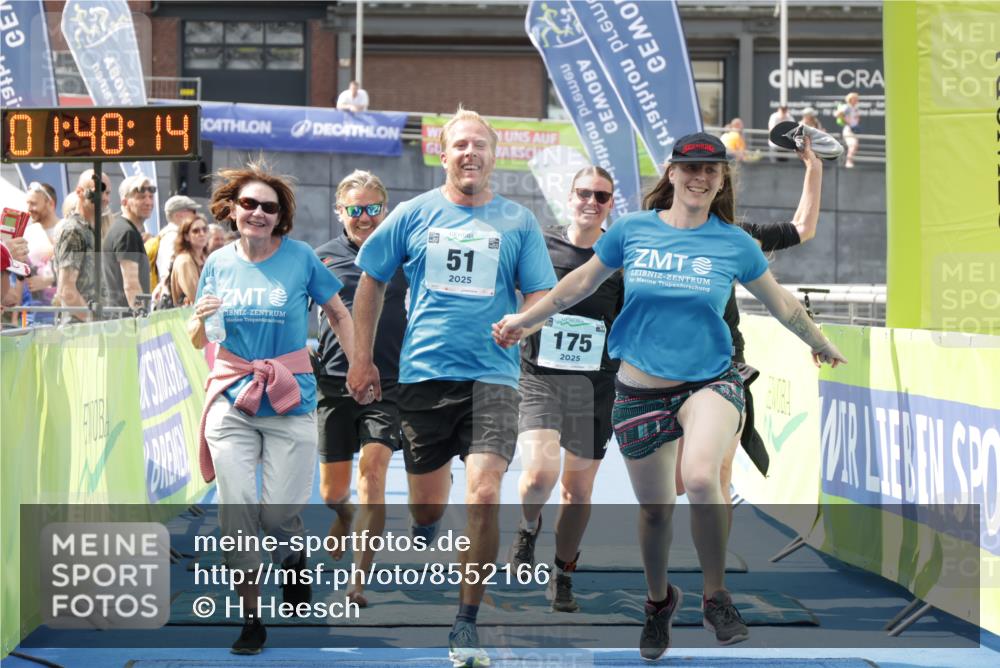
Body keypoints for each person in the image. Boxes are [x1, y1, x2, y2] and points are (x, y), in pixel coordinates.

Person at [494, 132, 846, 661]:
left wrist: (818, 341)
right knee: (656, 512)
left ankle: (715, 596)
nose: (700, 178)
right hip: (639, 390)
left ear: (721, 180)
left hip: (710, 380)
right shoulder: (632, 230)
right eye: (690, 168)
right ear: (673, 173)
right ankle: (658, 602)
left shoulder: (735, 242)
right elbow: (578, 285)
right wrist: (524, 321)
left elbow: (781, 303)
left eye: (711, 170)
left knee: (702, 478)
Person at [347, 107, 556, 668]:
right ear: (444, 155)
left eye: (479, 145)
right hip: (424, 376)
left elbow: (541, 293)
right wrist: (362, 359)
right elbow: (371, 279)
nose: (470, 153)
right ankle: (426, 523)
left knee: (484, 494)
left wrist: (524, 322)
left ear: (493, 156)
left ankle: (466, 620)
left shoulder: (518, 221)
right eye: (460, 144)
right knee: (425, 505)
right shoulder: (414, 213)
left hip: (493, 377)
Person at [189, 161, 356, 656]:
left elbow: (337, 312)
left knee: (280, 515)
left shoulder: (301, 257)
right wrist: (198, 321)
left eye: (269, 206)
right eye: (249, 204)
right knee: (237, 510)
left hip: (289, 396)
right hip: (232, 397)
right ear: (232, 210)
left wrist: (359, 366)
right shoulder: (217, 262)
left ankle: (293, 555)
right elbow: (199, 336)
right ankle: (251, 619)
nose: (258, 213)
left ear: (281, 216)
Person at [506, 166, 623, 614]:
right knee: (539, 475)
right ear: (569, 197)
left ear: (611, 203)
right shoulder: (540, 245)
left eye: (601, 196)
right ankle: (527, 527)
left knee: (577, 491)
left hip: (595, 387)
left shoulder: (620, 258)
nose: (592, 202)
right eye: (584, 193)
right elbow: (511, 293)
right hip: (540, 378)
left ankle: (563, 573)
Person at [314, 170, 407, 607]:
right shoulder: (321, 259)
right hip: (333, 384)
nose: (365, 217)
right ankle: (343, 514)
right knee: (332, 492)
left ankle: (358, 580)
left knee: (373, 474)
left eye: (373, 208)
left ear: (385, 210)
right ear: (340, 211)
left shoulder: (402, 256)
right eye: (355, 209)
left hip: (388, 385)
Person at [53, 169, 111, 321]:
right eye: (98, 191)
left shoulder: (90, 230)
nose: (104, 198)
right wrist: (92, 322)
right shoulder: (73, 230)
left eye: (107, 193)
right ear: (79, 192)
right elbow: (66, 290)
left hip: (95, 327)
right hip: (79, 329)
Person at [103, 175, 154, 311]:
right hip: (127, 319)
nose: (148, 202)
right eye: (141, 197)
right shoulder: (127, 233)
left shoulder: (124, 229)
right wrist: (141, 315)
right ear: (124, 202)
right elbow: (131, 285)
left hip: (122, 318)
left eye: (151, 196)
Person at [23, 182, 60, 324]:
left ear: (50, 204)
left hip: (60, 314)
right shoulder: (27, 232)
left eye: (33, 204)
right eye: (27, 203)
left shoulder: (66, 230)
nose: (29, 209)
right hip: (31, 315)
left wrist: (48, 280)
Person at [149, 194, 202, 287]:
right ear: (179, 215)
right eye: (193, 211)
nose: (196, 215)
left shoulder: (173, 235)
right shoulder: (172, 237)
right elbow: (166, 271)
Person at [167, 214, 209, 306]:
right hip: (191, 313)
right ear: (186, 236)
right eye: (195, 231)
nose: (202, 234)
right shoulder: (185, 261)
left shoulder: (205, 258)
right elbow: (198, 296)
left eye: (204, 230)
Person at [835, 92, 861, 168]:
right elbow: (837, 114)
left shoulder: (854, 108)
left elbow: (856, 118)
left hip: (854, 129)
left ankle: (848, 161)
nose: (857, 100)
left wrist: (856, 119)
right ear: (850, 99)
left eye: (857, 99)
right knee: (853, 144)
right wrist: (846, 120)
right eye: (855, 99)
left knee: (854, 145)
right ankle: (848, 162)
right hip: (848, 129)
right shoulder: (847, 107)